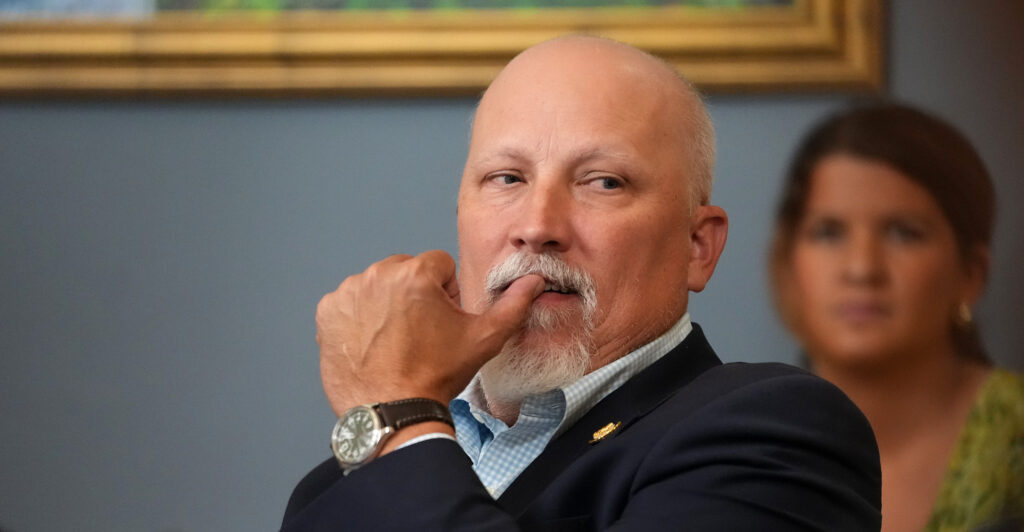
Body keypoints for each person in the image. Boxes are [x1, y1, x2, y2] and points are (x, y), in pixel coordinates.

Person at [281, 36, 881, 531]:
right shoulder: (334, 487)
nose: (537, 227)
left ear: (697, 246)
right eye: (506, 177)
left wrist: (399, 414)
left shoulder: (776, 432)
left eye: (604, 182)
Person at [769, 102, 1024, 532]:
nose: (862, 268)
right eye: (829, 232)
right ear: (789, 265)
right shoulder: (739, 440)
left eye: (904, 233)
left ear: (970, 274)